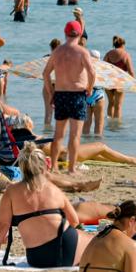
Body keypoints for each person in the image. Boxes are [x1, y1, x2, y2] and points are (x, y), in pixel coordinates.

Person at [0, 145, 87, 268]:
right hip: (66, 251)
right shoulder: (54, 189)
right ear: (45, 165)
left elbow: (2, 225)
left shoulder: (11, 192)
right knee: (93, 240)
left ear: (22, 166)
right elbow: (74, 221)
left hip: (37, 258)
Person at [42, 21, 95, 173]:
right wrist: (90, 89)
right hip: (77, 95)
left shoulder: (57, 51)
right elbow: (92, 73)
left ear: (65, 33)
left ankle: (53, 167)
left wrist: (51, 93)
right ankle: (71, 169)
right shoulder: (82, 52)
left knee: (58, 134)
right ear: (79, 34)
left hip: (60, 94)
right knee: (75, 135)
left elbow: (45, 73)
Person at [102, 36, 133, 121]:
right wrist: (132, 84)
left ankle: (109, 124)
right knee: (118, 105)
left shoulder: (108, 54)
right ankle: (116, 126)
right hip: (120, 83)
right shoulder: (126, 55)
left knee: (111, 103)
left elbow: (102, 68)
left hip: (108, 82)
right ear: (123, 44)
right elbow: (131, 72)